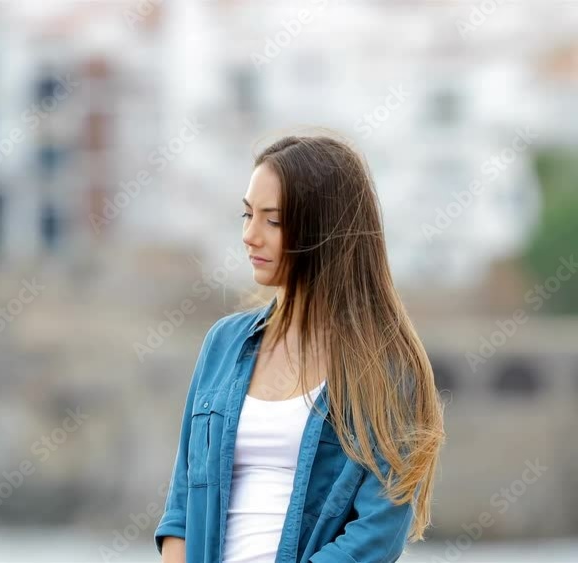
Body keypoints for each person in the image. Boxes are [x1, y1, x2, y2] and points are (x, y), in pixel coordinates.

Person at [154, 134, 446, 563]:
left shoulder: (386, 370)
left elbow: (376, 537)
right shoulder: (222, 344)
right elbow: (181, 507)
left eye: (272, 221)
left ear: (324, 230)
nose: (250, 236)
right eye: (247, 214)